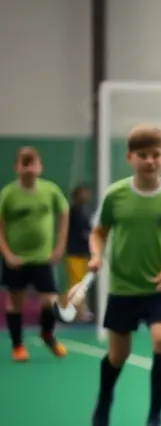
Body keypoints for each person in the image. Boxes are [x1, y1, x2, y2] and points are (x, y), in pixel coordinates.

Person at [88, 126, 161, 426]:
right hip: (123, 287)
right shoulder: (115, 195)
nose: (150, 161)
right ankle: (105, 398)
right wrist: (96, 255)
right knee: (117, 355)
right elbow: (99, 232)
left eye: (156, 155)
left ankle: (155, 417)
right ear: (130, 158)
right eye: (143, 155)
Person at [0, 147, 68, 362]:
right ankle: (18, 346)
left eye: (33, 163)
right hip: (16, 260)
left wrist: (59, 247)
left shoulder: (51, 190)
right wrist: (7, 254)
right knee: (15, 303)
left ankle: (47, 334)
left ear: (40, 167)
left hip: (42, 259)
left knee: (50, 301)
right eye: (25, 164)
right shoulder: (8, 194)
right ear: (16, 167)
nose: (29, 168)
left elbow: (64, 212)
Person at [63, 184, 95, 322]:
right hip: (74, 253)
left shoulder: (82, 211)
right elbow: (82, 233)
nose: (86, 195)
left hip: (82, 254)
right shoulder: (74, 212)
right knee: (75, 283)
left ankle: (79, 310)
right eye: (83, 193)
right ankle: (68, 310)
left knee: (80, 283)